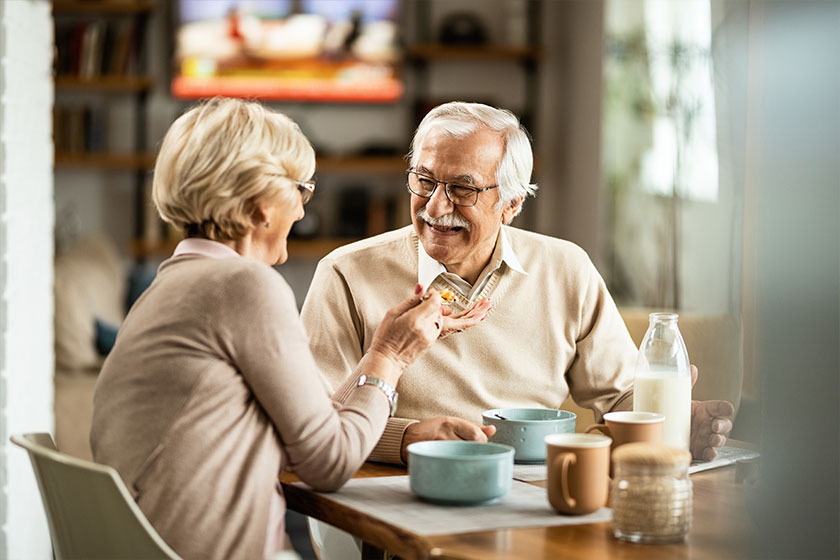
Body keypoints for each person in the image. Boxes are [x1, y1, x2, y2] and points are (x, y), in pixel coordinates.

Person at [90, 97, 452, 560]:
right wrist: (392, 358)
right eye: (301, 190)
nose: (302, 212)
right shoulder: (245, 286)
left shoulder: (170, 284)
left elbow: (306, 429)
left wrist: (381, 351)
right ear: (262, 204)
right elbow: (330, 463)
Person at [301, 101, 734, 466]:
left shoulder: (566, 267)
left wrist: (672, 419)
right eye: (425, 180)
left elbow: (620, 394)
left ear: (511, 203)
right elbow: (312, 423)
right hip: (404, 490)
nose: (435, 206)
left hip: (539, 495)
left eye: (462, 189)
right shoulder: (346, 273)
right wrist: (410, 438)